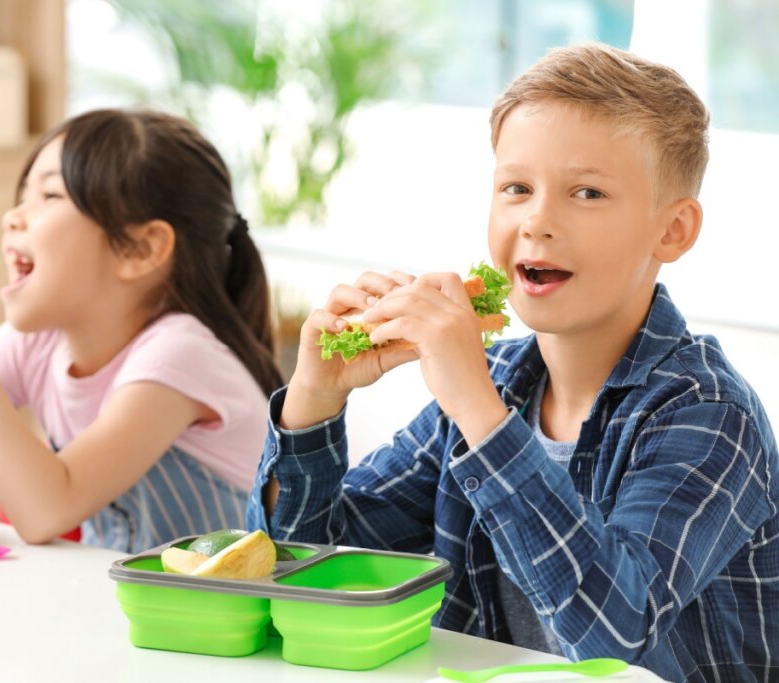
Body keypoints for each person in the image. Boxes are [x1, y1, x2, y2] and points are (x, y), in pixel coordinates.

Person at [246, 43, 779, 682]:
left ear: (672, 231)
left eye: (587, 192)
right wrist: (314, 398)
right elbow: (296, 567)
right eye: (516, 188)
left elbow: (615, 632)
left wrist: (477, 407)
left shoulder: (709, 413)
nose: (537, 220)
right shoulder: (497, 382)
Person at [0, 108, 283, 552]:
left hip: (230, 622)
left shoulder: (180, 355)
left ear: (141, 249)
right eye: (22, 196)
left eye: (50, 196)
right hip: (133, 616)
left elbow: (46, 511)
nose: (12, 216)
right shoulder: (38, 344)